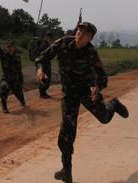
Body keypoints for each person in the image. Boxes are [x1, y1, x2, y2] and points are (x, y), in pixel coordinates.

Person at [35, 22, 129, 183]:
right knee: (67, 131)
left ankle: (113, 104)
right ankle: (66, 170)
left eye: (85, 33)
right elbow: (41, 58)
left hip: (87, 91)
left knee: (104, 118)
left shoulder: (91, 52)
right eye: (79, 30)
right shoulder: (63, 42)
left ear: (90, 38)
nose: (80, 33)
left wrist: (97, 88)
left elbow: (102, 77)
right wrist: (40, 69)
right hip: (69, 94)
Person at [0, 32, 26, 113]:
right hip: (6, 78)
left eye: (10, 47)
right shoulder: (4, 57)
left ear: (14, 48)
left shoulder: (17, 58)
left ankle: (22, 101)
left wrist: (21, 80)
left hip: (15, 79)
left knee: (18, 93)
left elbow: (19, 70)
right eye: (7, 47)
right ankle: (4, 107)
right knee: (4, 89)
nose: (9, 48)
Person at [29, 32, 55, 98]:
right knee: (45, 79)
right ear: (47, 37)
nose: (51, 39)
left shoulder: (42, 43)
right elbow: (49, 55)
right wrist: (53, 48)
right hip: (43, 64)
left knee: (44, 78)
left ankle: (42, 92)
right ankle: (42, 93)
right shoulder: (45, 44)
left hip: (40, 63)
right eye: (50, 37)